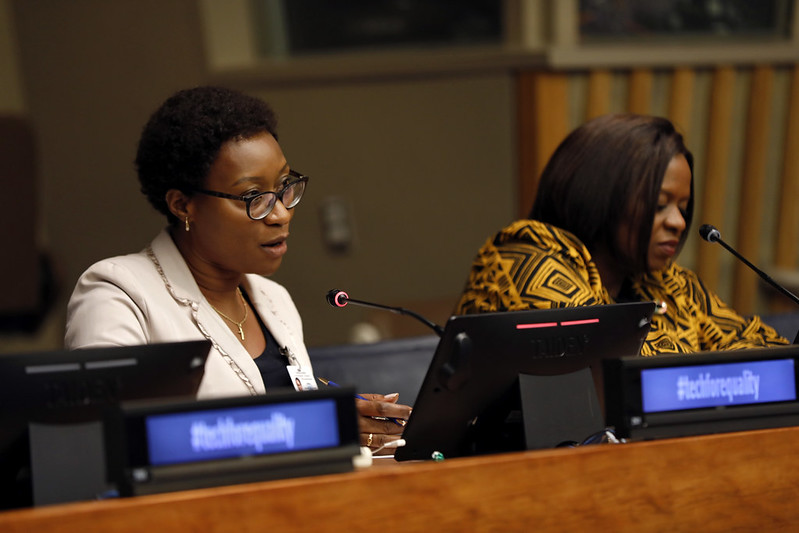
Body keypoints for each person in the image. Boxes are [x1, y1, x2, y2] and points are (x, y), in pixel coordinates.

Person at [65, 86, 409, 452]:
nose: (280, 213)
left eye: (283, 187)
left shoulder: (273, 300)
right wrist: (320, 424)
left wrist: (345, 423)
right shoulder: (117, 292)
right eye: (252, 197)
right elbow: (107, 439)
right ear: (183, 205)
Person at [455, 113, 787, 354]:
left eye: (683, 207)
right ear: (600, 197)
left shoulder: (669, 284)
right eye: (660, 204)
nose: (679, 223)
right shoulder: (524, 257)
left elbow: (766, 352)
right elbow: (611, 365)